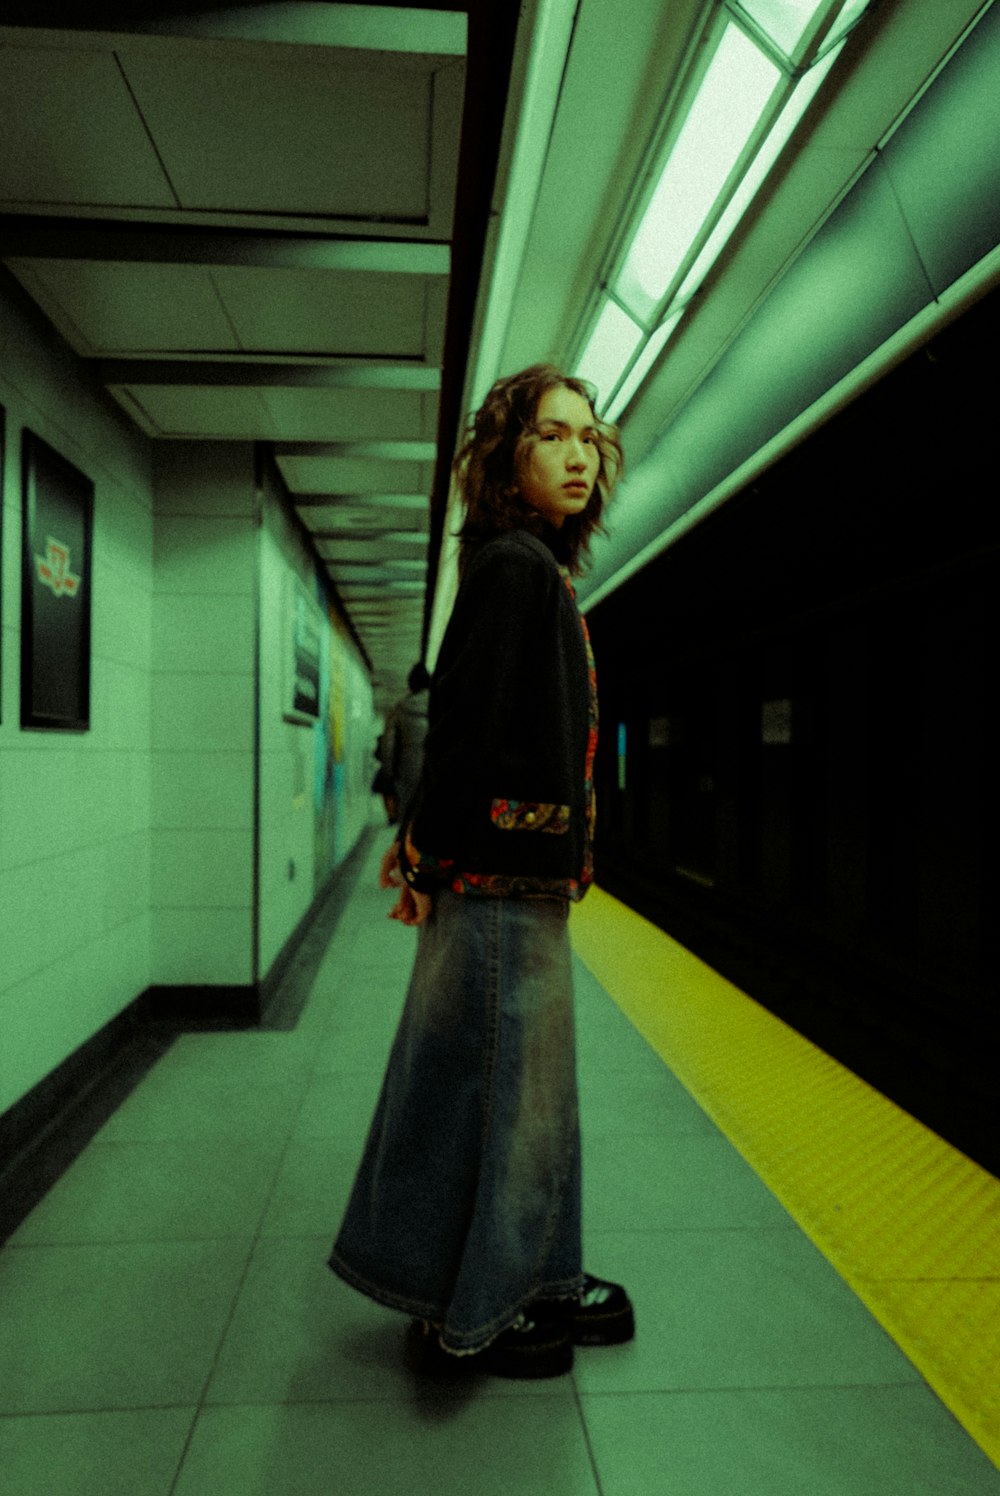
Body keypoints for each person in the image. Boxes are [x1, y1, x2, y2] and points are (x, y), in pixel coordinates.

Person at [329, 364, 633, 1378]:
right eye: (553, 435)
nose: (578, 453)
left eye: (589, 437)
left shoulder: (528, 568)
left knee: (519, 1093)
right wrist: (429, 849)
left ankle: (539, 1275)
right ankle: (481, 1304)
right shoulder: (510, 567)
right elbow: (464, 729)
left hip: (517, 878)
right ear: (509, 455)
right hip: (498, 880)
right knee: (507, 1094)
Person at [378, 661, 431, 824]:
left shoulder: (399, 710)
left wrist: (388, 778)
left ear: (411, 683)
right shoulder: (442, 707)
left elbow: (388, 748)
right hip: (433, 776)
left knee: (408, 825)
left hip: (406, 777)